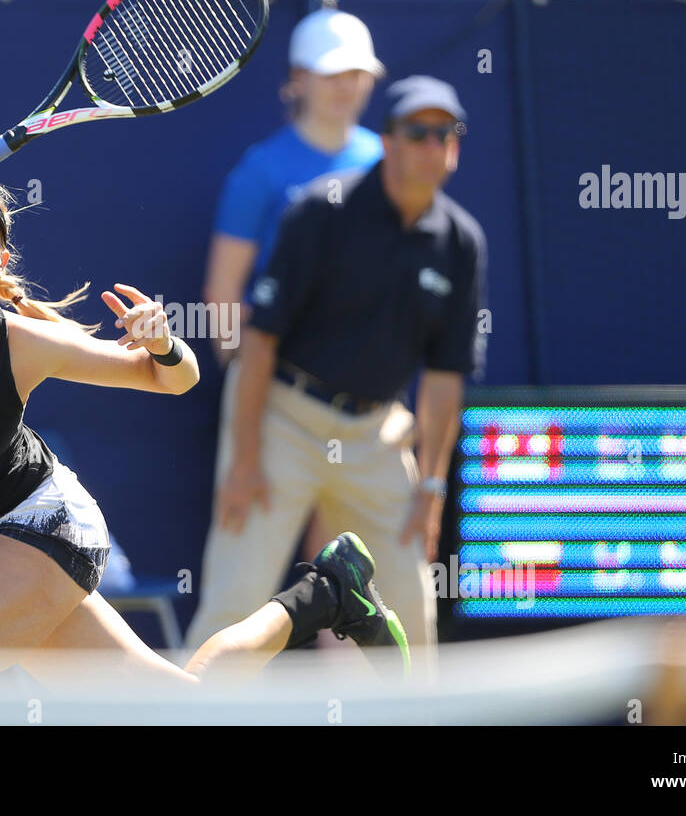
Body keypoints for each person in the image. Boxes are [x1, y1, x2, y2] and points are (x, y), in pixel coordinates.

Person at [0, 151, 411, 689]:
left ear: (0, 260)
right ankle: (327, 594)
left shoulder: (22, 343)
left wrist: (163, 344)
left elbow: (175, 377)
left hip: (43, 523)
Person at [187, 76, 488, 680]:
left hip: (377, 436)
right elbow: (261, 341)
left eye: (445, 134)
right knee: (233, 606)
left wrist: (430, 490)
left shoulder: (460, 243)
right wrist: (245, 456)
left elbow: (444, 380)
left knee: (409, 620)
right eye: (417, 132)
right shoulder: (321, 211)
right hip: (282, 422)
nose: (433, 146)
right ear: (388, 142)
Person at [190, 8, 385, 651]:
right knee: (237, 596)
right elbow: (224, 293)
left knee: (361, 591)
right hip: (275, 406)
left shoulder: (389, 163)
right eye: (331, 74)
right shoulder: (262, 171)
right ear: (298, 79)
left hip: (366, 418)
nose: (344, 86)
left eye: (356, 73)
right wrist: (255, 396)